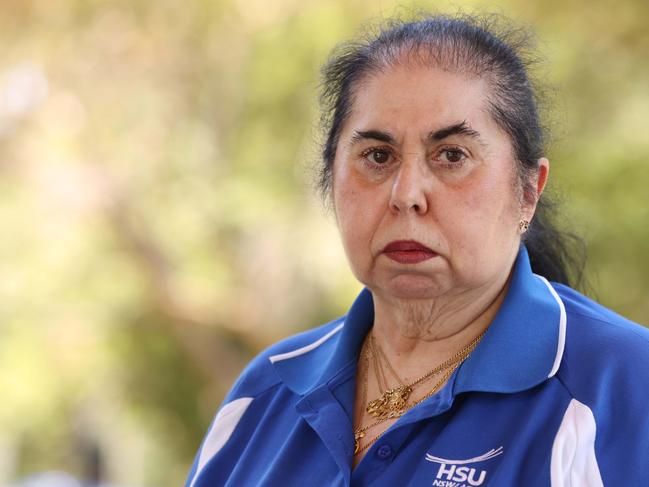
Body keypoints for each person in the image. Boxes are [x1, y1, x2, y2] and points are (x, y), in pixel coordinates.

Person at [185, 14, 649, 487]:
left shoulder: (625, 385)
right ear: (331, 181)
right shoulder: (264, 393)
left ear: (528, 190)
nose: (406, 194)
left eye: (451, 155)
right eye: (377, 156)